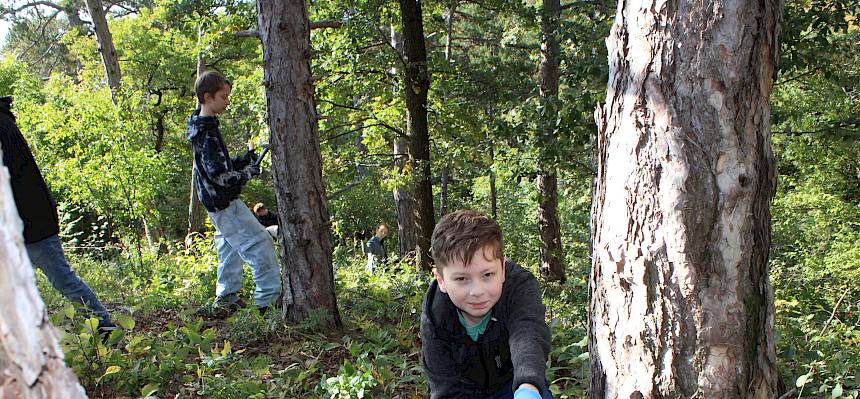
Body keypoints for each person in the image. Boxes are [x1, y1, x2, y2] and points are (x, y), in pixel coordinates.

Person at [0, 95, 116, 333]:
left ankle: (105, 328)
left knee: (63, 281)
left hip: (31, 222)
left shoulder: (2, 126)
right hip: (20, 222)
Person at [421, 210, 553, 399]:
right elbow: (445, 388)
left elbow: (528, 334)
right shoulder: (435, 315)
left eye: (488, 275)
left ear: (503, 270)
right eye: (461, 278)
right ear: (441, 280)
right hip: (464, 391)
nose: (477, 291)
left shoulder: (519, 287)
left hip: (515, 382)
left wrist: (528, 386)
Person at [187, 71, 282, 313]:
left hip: (215, 201)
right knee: (260, 243)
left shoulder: (202, 126)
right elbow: (221, 177)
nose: (227, 101)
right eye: (223, 96)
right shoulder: (206, 134)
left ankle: (227, 297)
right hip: (223, 203)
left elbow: (219, 165)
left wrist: (244, 160)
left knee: (228, 246)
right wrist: (248, 173)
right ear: (207, 97)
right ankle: (268, 301)